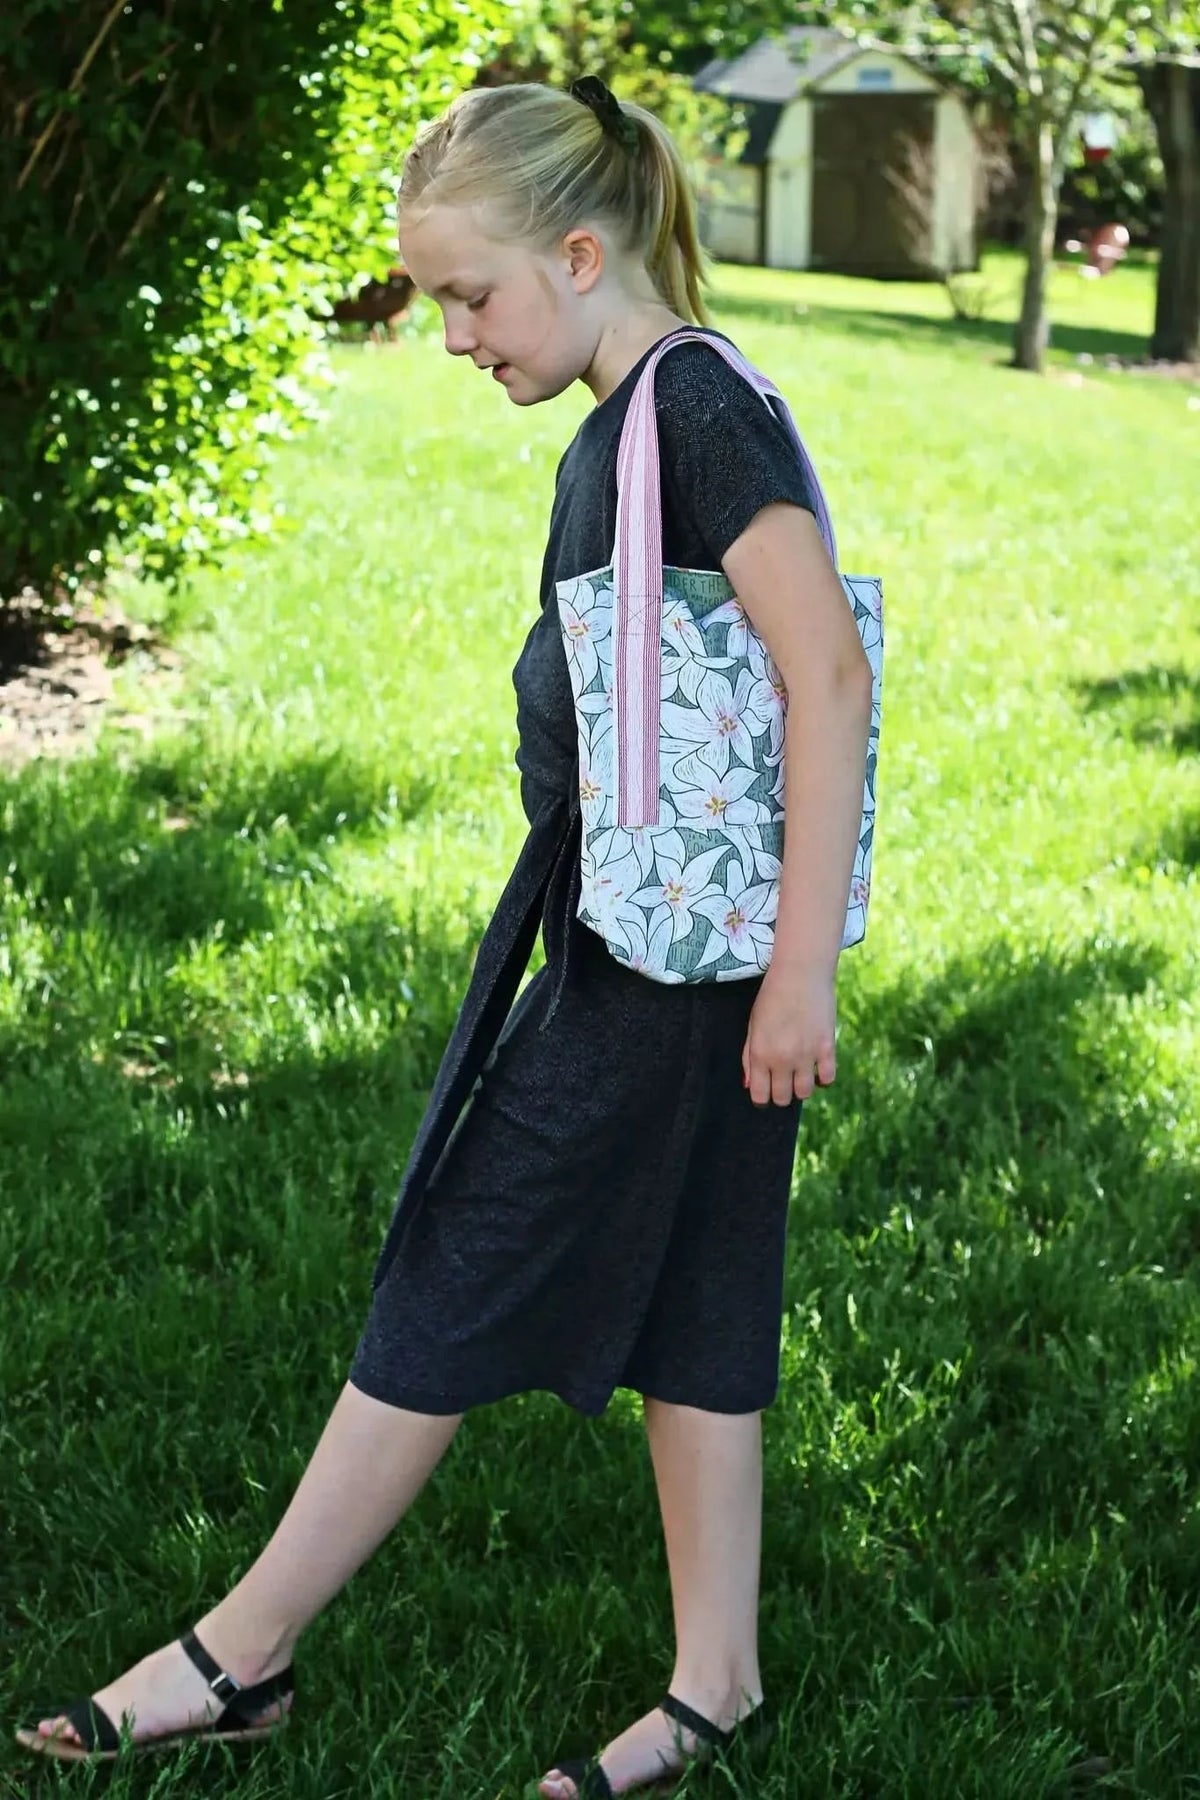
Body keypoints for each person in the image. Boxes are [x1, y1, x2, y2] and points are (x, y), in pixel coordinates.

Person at [15, 77, 874, 1798]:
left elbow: (826, 675)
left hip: (673, 972)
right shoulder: (637, 417)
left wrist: (798, 973)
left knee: (456, 1263)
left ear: (581, 255)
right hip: (657, 943)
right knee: (700, 1285)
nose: (457, 335)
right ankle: (718, 1686)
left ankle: (241, 1651)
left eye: (472, 296)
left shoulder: (698, 412)